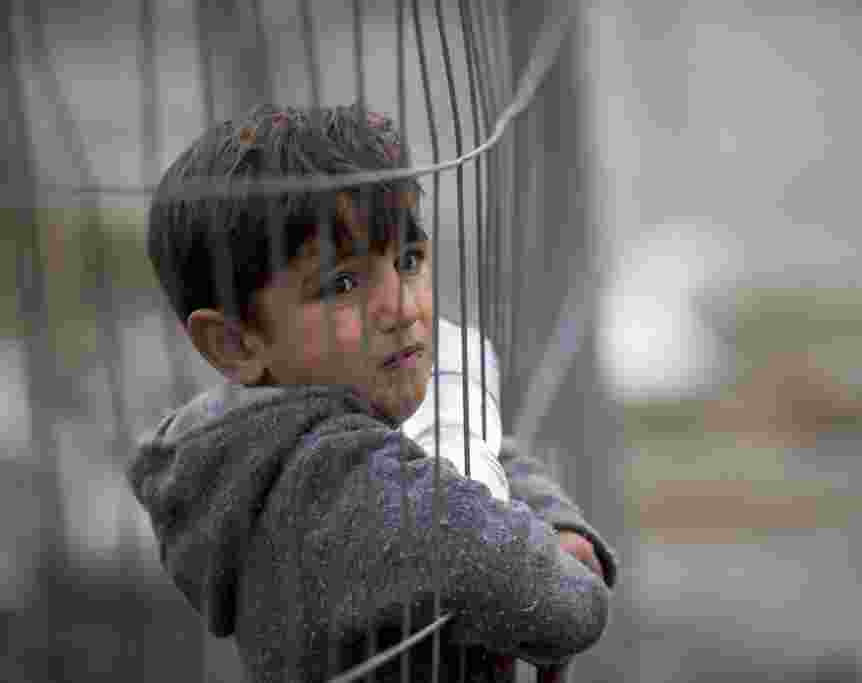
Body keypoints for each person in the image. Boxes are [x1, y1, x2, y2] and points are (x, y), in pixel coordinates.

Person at [128, 103, 617, 683]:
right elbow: (563, 605)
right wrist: (554, 547)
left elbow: (467, 447)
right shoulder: (332, 487)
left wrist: (549, 522)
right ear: (235, 343)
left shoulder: (333, 412)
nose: (403, 309)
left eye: (408, 260)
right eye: (342, 283)